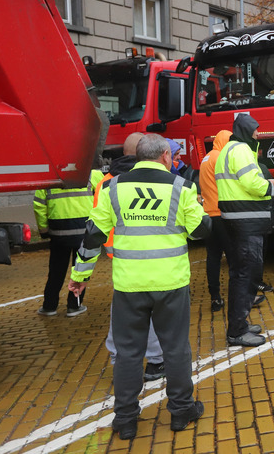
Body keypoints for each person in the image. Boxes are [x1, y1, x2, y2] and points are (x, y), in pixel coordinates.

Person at [68, 133, 211, 440]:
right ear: (163, 157)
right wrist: (201, 209)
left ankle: (127, 419)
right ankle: (181, 410)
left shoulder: (112, 188)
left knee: (129, 353)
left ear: (137, 158)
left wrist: (80, 277)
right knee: (175, 349)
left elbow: (92, 236)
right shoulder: (182, 187)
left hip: (129, 284)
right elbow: (200, 231)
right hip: (170, 283)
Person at [99, 132, 165, 382]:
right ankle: (157, 361)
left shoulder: (106, 182)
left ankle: (120, 363)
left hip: (121, 258)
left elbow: (97, 226)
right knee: (153, 313)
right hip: (157, 258)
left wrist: (81, 273)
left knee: (123, 312)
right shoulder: (161, 181)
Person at [215, 114, 274, 347]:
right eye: (255, 130)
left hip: (235, 221)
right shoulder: (240, 150)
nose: (257, 135)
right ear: (246, 131)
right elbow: (252, 183)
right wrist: (270, 187)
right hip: (246, 222)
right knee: (246, 276)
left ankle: (239, 323)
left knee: (240, 275)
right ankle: (237, 330)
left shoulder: (227, 151)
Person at [33, 167, 103, 317]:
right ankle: (74, 306)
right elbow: (102, 200)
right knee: (80, 271)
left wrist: (44, 231)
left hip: (59, 234)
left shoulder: (48, 175)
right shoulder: (93, 175)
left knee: (56, 272)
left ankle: (49, 307)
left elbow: (39, 205)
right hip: (84, 233)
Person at [199, 130, 235, 311]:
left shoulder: (206, 158)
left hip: (208, 214)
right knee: (233, 257)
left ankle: (215, 297)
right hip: (222, 214)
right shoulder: (221, 158)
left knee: (213, 257)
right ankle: (240, 297)